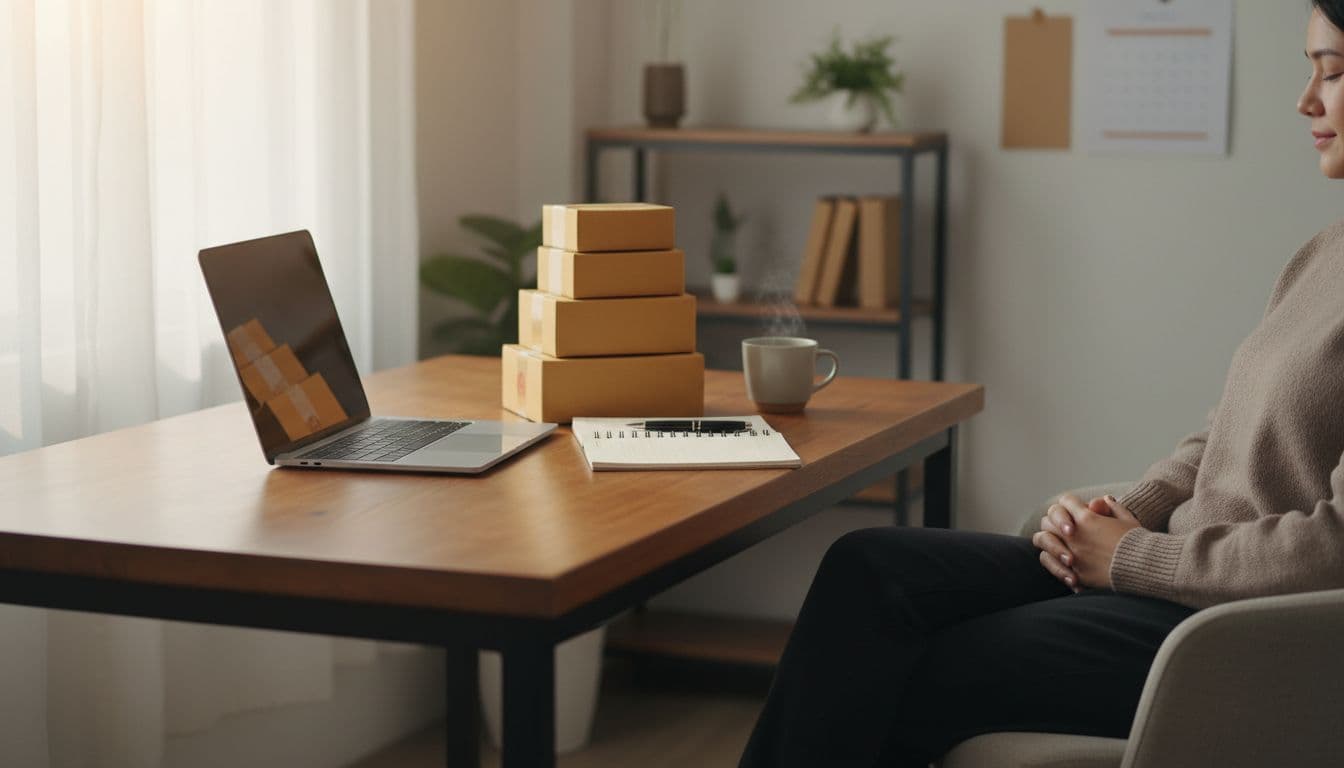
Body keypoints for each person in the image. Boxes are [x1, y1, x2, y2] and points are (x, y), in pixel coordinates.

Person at [738, 3, 1344, 766]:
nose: (1306, 99)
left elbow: (1335, 548)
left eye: (1333, 70)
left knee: (917, 663)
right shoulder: (1326, 250)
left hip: (1229, 631)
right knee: (870, 568)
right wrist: (1123, 514)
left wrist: (1130, 558)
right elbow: (1225, 433)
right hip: (1170, 576)